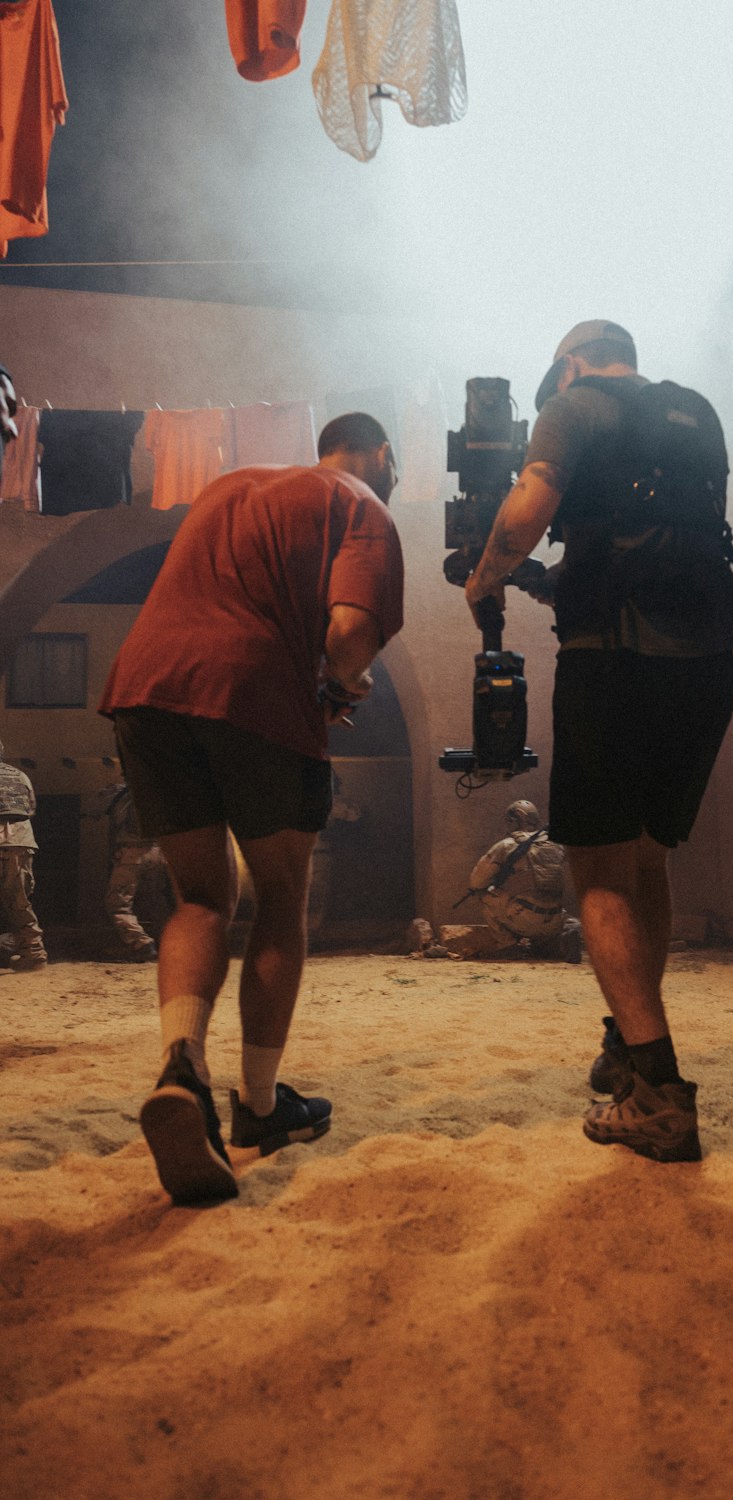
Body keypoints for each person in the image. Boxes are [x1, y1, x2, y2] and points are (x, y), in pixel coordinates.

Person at [100, 412, 404, 1204]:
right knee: (279, 897)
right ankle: (262, 1109)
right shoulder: (360, 502)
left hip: (146, 686)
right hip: (254, 691)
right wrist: (339, 687)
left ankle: (182, 1065)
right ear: (380, 452)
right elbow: (349, 634)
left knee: (200, 897)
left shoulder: (229, 487)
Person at [466, 320, 733, 1162]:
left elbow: (529, 507)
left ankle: (657, 1093)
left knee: (594, 867)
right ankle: (629, 1041)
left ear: (573, 363)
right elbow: (653, 550)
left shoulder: (575, 405)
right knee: (648, 858)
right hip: (706, 663)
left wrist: (487, 576)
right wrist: (557, 582)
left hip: (613, 663)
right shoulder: (695, 411)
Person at [465, 799, 582, 961]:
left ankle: (508, 945)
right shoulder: (556, 844)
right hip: (554, 917)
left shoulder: (506, 845)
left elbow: (477, 881)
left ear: (514, 820)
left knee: (483, 894)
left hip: (524, 917)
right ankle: (551, 940)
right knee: (547, 910)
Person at [101, 783, 164, 962]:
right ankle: (170, 942)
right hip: (157, 852)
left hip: (131, 853)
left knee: (117, 903)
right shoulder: (158, 793)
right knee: (157, 899)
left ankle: (141, 943)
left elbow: (119, 821)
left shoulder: (125, 796)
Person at [0, 740, 47, 972]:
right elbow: (30, 810)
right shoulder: (20, 776)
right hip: (19, 843)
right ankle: (34, 953)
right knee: (19, 902)